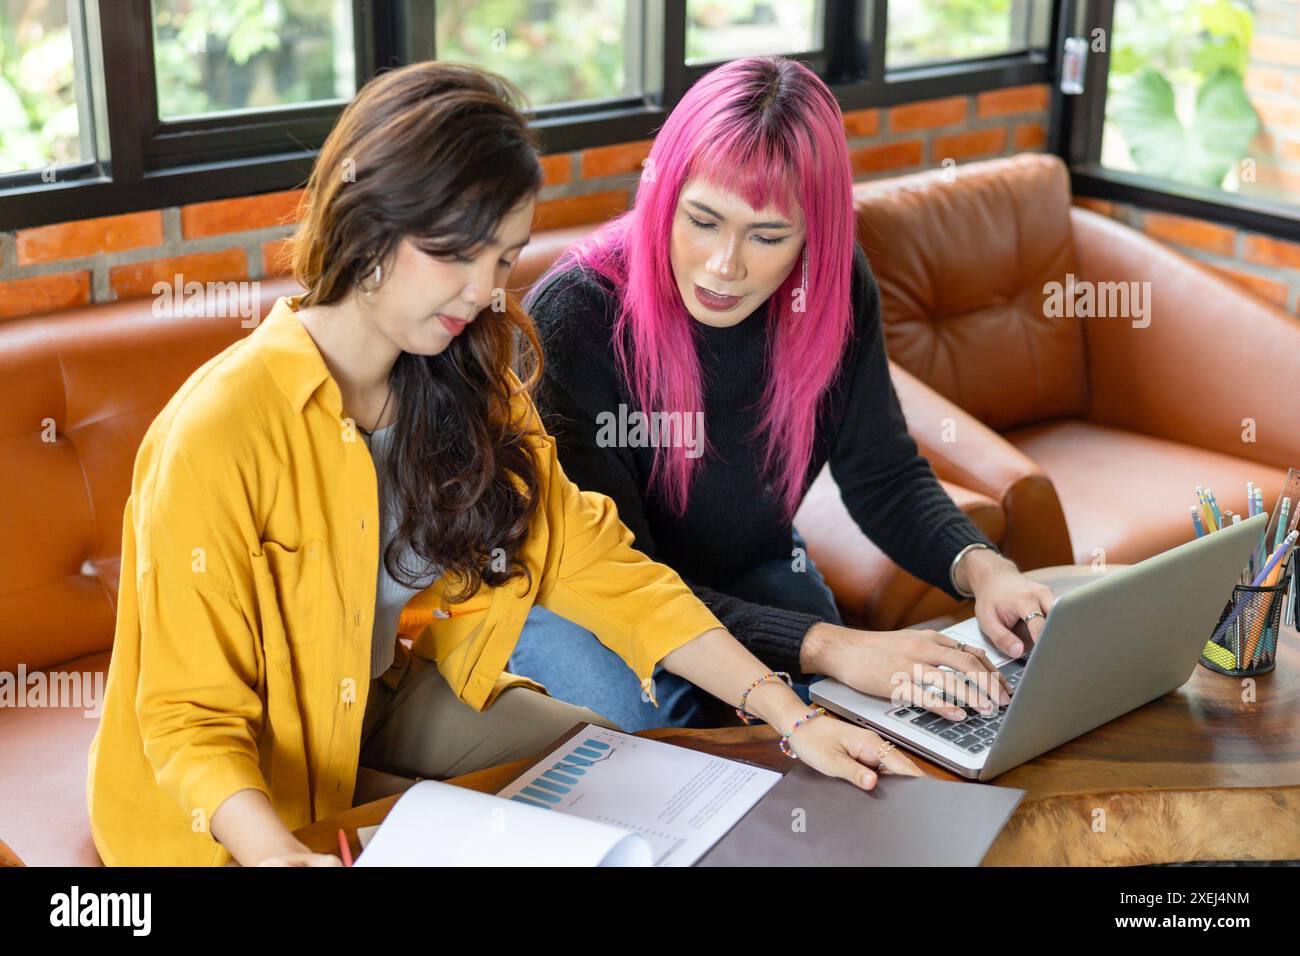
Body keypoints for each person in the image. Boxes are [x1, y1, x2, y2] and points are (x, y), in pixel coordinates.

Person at [86, 60, 923, 868]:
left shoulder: (465, 380)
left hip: (374, 702)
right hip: (228, 784)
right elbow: (189, 720)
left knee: (630, 774)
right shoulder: (219, 428)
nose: (483, 290)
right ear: (366, 218)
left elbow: (598, 565)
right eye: (455, 253)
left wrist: (787, 712)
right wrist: (273, 854)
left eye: (502, 257)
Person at [509, 55, 1054, 732]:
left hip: (747, 569)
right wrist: (829, 646)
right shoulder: (574, 320)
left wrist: (984, 569)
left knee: (852, 723)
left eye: (768, 235)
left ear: (812, 238)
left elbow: (881, 469)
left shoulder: (833, 287)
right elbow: (625, 580)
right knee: (671, 735)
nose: (724, 266)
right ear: (662, 196)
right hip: (586, 601)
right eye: (703, 220)